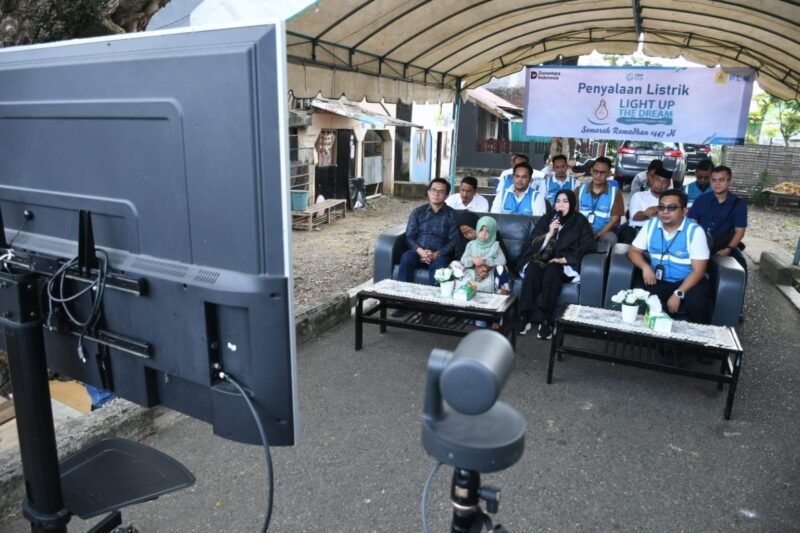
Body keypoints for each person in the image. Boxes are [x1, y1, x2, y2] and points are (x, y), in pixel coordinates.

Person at [516, 190, 596, 339]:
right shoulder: (547, 219)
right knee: (533, 268)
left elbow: (589, 245)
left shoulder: (579, 221)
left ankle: (547, 319)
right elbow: (531, 243)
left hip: (562, 263)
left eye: (565, 202)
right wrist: (548, 234)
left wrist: (566, 259)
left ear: (572, 204)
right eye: (558, 201)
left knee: (553, 270)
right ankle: (524, 315)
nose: (561, 205)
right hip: (542, 258)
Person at [628, 189, 712, 324]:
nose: (665, 211)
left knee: (697, 304)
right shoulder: (650, 225)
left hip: (688, 282)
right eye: (661, 207)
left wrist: (678, 293)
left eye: (672, 207)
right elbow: (633, 251)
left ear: (684, 211)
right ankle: (652, 342)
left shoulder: (695, 232)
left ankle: (696, 343)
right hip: (658, 280)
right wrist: (645, 267)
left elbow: (699, 271)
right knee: (642, 301)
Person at [396, 177, 458, 287]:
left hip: (440, 255)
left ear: (446, 196)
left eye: (441, 191)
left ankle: (430, 302)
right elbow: (409, 236)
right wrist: (421, 251)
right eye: (433, 190)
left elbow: (453, 241)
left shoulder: (452, 215)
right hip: (418, 252)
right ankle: (402, 296)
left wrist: (436, 254)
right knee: (407, 257)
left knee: (440, 268)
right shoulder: (418, 212)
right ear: (428, 192)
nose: (436, 194)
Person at [688, 165, 748, 273]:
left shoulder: (739, 204)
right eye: (714, 180)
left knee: (740, 267)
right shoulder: (701, 200)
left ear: (730, 181)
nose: (717, 184)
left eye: (721, 180)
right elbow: (692, 223)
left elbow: (740, 231)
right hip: (699, 243)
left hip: (723, 245)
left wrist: (728, 249)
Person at [574, 156, 624, 247]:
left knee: (611, 239)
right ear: (591, 171)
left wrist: (597, 235)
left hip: (603, 232)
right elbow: (572, 215)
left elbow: (614, 221)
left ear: (609, 174)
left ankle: (604, 261)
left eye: (602, 173)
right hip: (580, 230)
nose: (598, 175)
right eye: (595, 171)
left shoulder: (615, 193)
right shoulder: (580, 190)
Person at [618, 167, 673, 244]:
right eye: (657, 180)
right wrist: (647, 213)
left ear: (668, 184)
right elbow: (635, 216)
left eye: (664, 182)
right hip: (637, 231)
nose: (660, 184)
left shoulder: (671, 200)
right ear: (652, 180)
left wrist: (656, 211)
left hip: (660, 233)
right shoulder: (639, 196)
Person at [460, 216, 510, 294]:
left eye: (488, 231)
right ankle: (463, 288)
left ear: (493, 232)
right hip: (473, 271)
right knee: (455, 264)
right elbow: (463, 260)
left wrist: (486, 262)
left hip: (490, 272)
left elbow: (502, 260)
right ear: (477, 229)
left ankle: (502, 289)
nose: (484, 234)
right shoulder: (471, 244)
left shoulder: (495, 245)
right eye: (481, 230)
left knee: (501, 267)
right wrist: (473, 260)